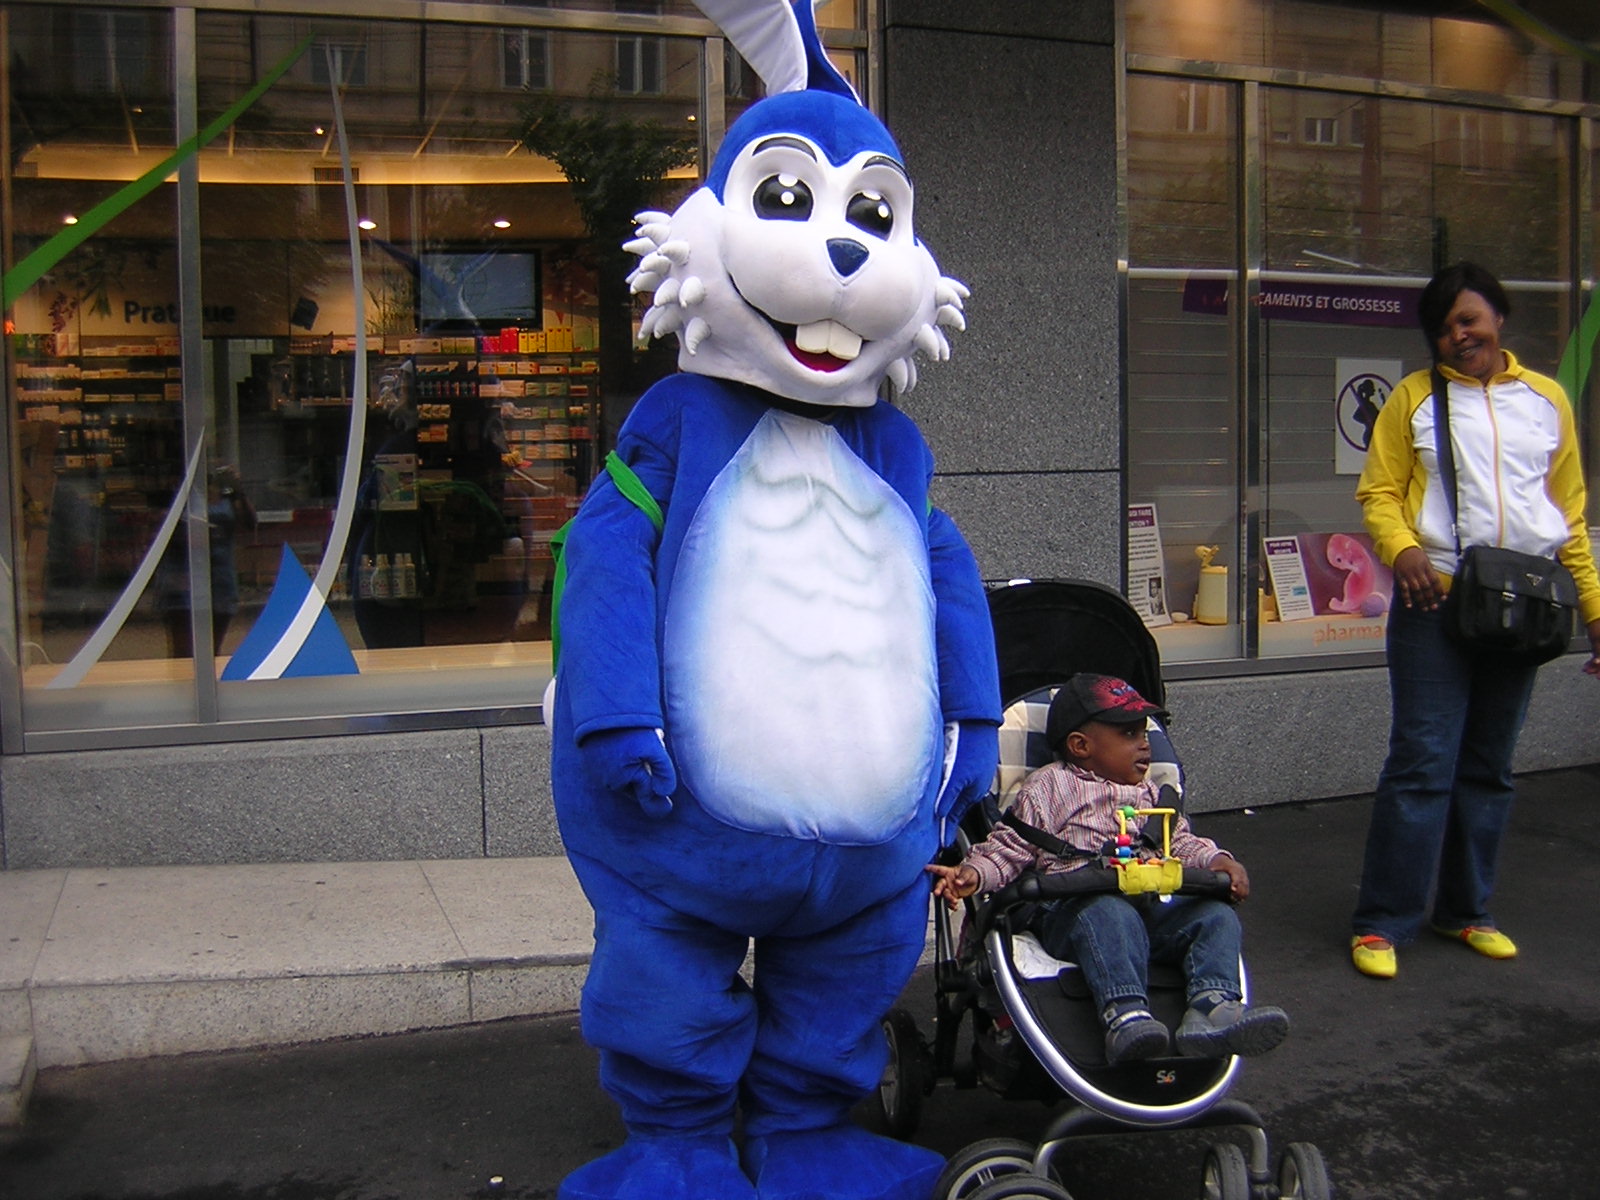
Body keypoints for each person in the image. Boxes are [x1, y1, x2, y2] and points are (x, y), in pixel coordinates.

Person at [1349, 261, 1600, 980]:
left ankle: (1466, 911)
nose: (1457, 336)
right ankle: (1382, 921)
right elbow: (1379, 493)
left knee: (1489, 766)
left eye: (1468, 320)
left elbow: (1569, 516)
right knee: (1422, 762)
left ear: (1498, 316)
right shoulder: (1413, 398)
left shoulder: (1546, 400)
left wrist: (1594, 610)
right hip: (1435, 600)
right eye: (1442, 328)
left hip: (1524, 604)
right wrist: (1402, 551)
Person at [927, 673, 1290, 1066]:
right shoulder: (1049, 789)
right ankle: (1126, 1016)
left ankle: (1213, 1009)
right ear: (1081, 746)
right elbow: (1010, 848)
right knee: (1109, 912)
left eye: (1145, 733)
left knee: (1216, 917)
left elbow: (1179, 842)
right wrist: (972, 873)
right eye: (1129, 734)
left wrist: (1218, 861)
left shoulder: (1151, 794)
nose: (1145, 744)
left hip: (1150, 905)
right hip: (1074, 911)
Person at [156, 463, 257, 658]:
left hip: (219, 579)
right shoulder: (180, 497)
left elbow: (250, 524)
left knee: (211, 651)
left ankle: (207, 677)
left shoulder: (228, 496)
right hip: (184, 577)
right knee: (184, 653)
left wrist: (239, 492)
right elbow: (164, 532)